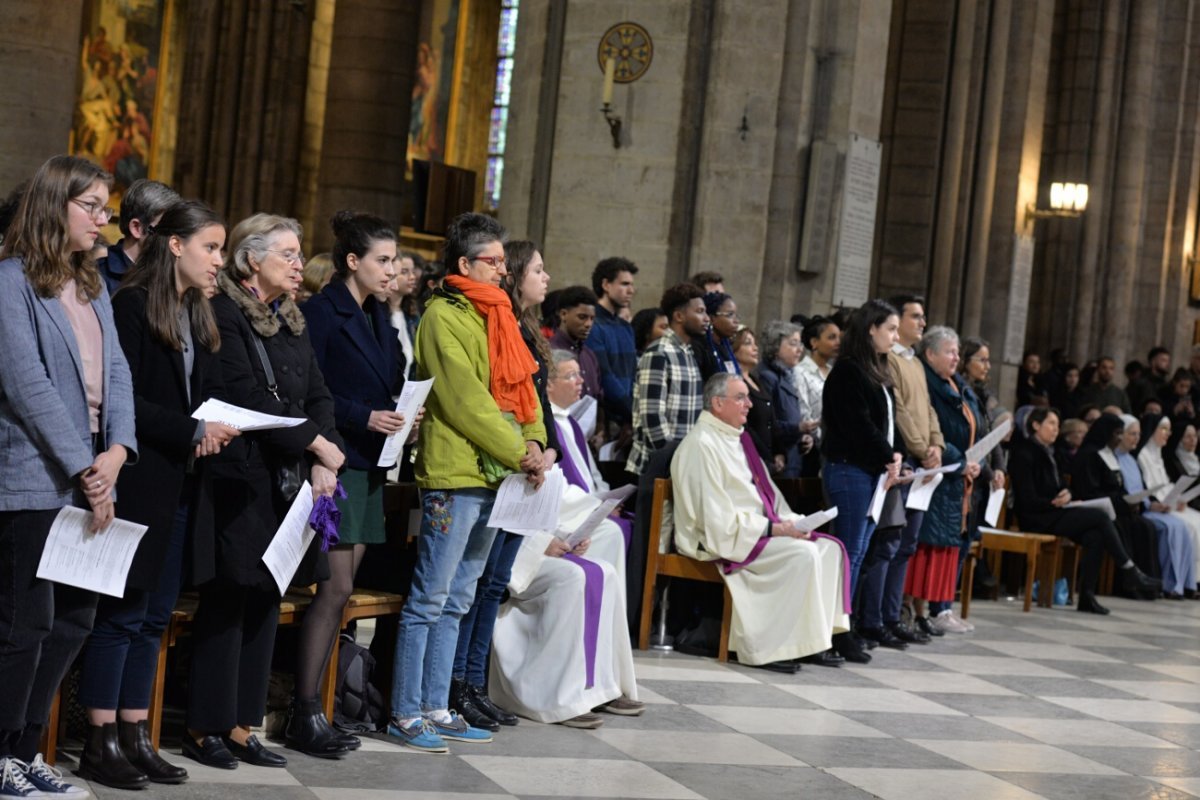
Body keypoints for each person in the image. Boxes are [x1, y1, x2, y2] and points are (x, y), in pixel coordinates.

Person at [76, 200, 237, 789]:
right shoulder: (132, 306)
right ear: (175, 246)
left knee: (154, 620)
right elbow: (126, 402)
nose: (220, 260)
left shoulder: (200, 313)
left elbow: (208, 391)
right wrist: (193, 429)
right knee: (120, 617)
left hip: (184, 482)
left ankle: (136, 732)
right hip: (141, 477)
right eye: (211, 247)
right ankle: (100, 739)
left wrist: (217, 425)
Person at [187, 214, 346, 770]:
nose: (299, 265)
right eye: (288, 254)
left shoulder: (293, 319)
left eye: (301, 255)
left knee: (266, 598)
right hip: (241, 476)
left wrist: (324, 455)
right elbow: (244, 394)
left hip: (290, 479)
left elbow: (319, 393)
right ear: (252, 260)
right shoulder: (224, 312)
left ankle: (242, 724)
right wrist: (316, 447)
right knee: (230, 597)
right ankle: (205, 724)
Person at [0, 154, 137, 798]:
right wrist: (88, 467)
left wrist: (117, 451)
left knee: (74, 622)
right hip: (33, 473)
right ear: (56, 204)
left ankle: (27, 748)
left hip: (93, 470)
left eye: (107, 209)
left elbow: (118, 373)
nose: (103, 221)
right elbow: (27, 387)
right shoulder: (10, 281)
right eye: (93, 208)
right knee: (25, 623)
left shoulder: (93, 286)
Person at [387, 213, 547, 754]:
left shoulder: (499, 317)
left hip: (497, 473)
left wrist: (536, 441)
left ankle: (438, 705)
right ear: (464, 264)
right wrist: (517, 451)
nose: (503, 271)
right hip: (455, 473)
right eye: (494, 262)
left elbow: (523, 386)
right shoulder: (441, 315)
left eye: (505, 262)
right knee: (429, 597)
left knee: (459, 598)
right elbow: (463, 399)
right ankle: (406, 712)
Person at [295, 211, 412, 757]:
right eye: (382, 261)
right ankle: (305, 710)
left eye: (394, 261)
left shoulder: (377, 317)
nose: (393, 271)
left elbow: (392, 380)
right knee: (334, 588)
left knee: (345, 594)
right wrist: (362, 416)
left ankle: (328, 703)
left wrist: (401, 410)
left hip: (368, 465)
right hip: (332, 460)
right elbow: (307, 388)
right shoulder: (323, 312)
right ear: (352, 262)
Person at [487, 349, 642, 727]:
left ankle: (599, 687)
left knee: (602, 571)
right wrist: (543, 543)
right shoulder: (500, 433)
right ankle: (559, 697)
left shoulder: (543, 432)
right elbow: (504, 504)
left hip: (538, 535)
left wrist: (565, 536)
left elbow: (548, 495)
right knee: (575, 576)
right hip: (514, 549)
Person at [449, 239, 561, 733]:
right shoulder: (496, 322)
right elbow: (498, 401)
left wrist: (546, 444)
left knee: (492, 584)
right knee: (475, 585)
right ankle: (459, 686)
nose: (547, 277)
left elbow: (537, 402)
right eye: (538, 269)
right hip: (503, 463)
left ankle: (475, 684)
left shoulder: (522, 327)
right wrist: (526, 448)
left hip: (525, 464)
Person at [672, 373, 849, 672]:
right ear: (717, 403)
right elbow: (715, 518)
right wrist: (775, 529)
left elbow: (770, 499)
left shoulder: (737, 439)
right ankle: (770, 646)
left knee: (829, 549)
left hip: (753, 529)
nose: (749, 404)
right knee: (800, 554)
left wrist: (796, 523)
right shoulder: (702, 444)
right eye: (740, 397)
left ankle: (810, 641)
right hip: (721, 536)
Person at [1008, 407, 1160, 614]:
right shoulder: (1024, 452)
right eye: (1051, 424)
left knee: (1096, 536)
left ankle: (1087, 596)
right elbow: (1027, 499)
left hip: (1054, 512)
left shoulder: (1050, 452)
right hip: (1036, 516)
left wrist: (1067, 495)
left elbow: (1063, 485)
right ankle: (1129, 569)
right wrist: (1054, 502)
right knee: (1099, 516)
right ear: (1035, 425)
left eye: (1057, 425)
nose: (1056, 429)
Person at [822, 299, 904, 663]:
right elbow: (858, 425)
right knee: (849, 552)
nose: (895, 336)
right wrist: (888, 455)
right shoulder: (848, 371)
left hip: (871, 471)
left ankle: (845, 626)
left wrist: (894, 453)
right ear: (871, 328)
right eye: (891, 328)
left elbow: (885, 422)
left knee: (860, 552)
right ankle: (836, 631)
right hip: (849, 468)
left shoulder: (876, 370)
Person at [908, 327, 983, 633]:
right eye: (949, 352)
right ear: (930, 354)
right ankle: (918, 610)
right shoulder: (927, 382)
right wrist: (960, 460)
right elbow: (932, 428)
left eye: (957, 352)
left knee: (948, 544)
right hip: (939, 471)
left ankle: (941, 608)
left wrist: (975, 463)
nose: (956, 358)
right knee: (926, 543)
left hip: (958, 472)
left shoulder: (955, 384)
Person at [883, 295, 944, 639]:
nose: (922, 323)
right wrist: (922, 450)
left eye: (923, 317)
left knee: (907, 545)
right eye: (916, 317)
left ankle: (893, 616)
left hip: (923, 463)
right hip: (906, 460)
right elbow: (901, 411)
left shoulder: (917, 363)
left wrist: (936, 445)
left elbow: (928, 409)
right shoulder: (891, 360)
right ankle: (881, 617)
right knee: (891, 543)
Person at [1067, 414, 1161, 598]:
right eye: (1117, 433)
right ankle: (1127, 584)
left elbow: (1117, 487)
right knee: (1124, 526)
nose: (1119, 437)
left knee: (1145, 527)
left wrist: (1130, 501)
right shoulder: (1089, 455)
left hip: (1114, 507)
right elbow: (1090, 491)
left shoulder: (1109, 455)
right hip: (1093, 508)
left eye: (1121, 433)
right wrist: (1123, 503)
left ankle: (1144, 585)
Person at [626, 283, 708, 476]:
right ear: (679, 316)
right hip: (655, 467)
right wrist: (672, 459)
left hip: (681, 464)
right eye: (700, 312)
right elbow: (652, 416)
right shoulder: (659, 353)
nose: (706, 319)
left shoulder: (688, 352)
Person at [1117, 415, 1195, 599]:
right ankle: (1167, 583)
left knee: (1184, 527)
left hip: (1155, 505)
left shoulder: (1135, 459)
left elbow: (1156, 486)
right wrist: (1152, 504)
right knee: (1171, 527)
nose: (1136, 438)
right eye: (1132, 433)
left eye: (1138, 434)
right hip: (1143, 508)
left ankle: (1184, 583)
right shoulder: (1139, 456)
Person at [1138, 414, 1200, 587]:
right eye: (1163, 429)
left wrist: (1179, 499)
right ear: (1152, 431)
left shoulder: (1158, 455)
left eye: (1169, 430)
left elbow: (1165, 484)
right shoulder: (1143, 455)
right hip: (1157, 506)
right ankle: (1185, 581)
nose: (1168, 433)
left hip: (1169, 504)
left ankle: (1194, 579)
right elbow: (1147, 486)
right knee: (1191, 527)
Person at [96, 178, 179, 293]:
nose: (174, 242)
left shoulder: (171, 277)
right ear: (137, 228)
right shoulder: (98, 277)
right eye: (166, 230)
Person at [755, 321, 814, 478]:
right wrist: (799, 428)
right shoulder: (767, 377)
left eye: (800, 344)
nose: (800, 350)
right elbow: (768, 422)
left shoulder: (787, 374)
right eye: (793, 344)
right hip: (777, 459)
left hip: (792, 457)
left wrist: (803, 437)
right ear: (775, 346)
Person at [586, 257, 638, 429]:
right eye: (624, 284)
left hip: (626, 419)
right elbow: (605, 377)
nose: (631, 290)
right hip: (604, 420)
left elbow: (632, 376)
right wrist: (632, 415)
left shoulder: (625, 327)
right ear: (606, 285)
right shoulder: (593, 325)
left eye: (631, 284)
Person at [548, 285, 603, 407]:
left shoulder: (590, 356)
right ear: (563, 314)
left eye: (592, 318)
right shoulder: (548, 352)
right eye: (582, 317)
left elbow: (597, 397)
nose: (588, 324)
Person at [794, 315, 839, 449]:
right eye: (831, 337)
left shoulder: (834, 372)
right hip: (814, 446)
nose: (838, 342)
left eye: (838, 338)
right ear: (814, 342)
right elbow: (804, 415)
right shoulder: (800, 372)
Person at [732, 327, 775, 463]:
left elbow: (771, 419)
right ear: (734, 348)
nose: (755, 348)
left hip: (767, 456)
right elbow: (745, 426)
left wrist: (779, 452)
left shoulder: (757, 380)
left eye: (755, 343)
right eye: (747, 343)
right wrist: (764, 453)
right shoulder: (734, 383)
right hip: (749, 455)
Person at [383, 250, 421, 381]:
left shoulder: (412, 316)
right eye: (404, 272)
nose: (412, 277)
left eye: (413, 271)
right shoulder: (378, 314)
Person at [694, 291, 741, 381]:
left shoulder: (726, 346)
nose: (736, 321)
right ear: (712, 318)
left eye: (736, 315)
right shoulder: (700, 347)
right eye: (730, 315)